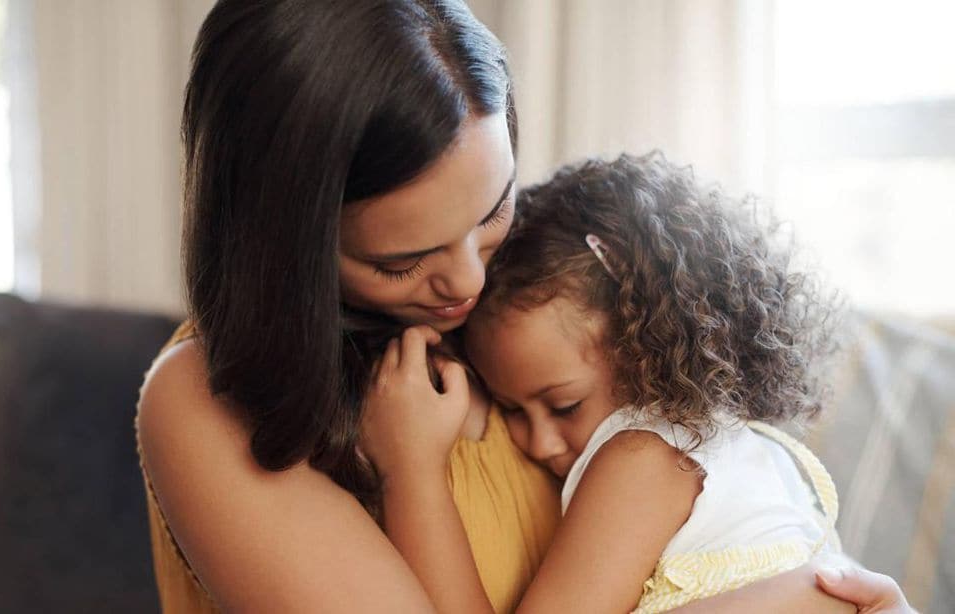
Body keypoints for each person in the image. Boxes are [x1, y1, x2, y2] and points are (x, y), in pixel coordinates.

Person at [135, 1, 914, 612]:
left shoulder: (537, 332)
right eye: (402, 261)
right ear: (282, 244)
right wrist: (792, 600)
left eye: (491, 211)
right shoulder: (206, 401)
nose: (467, 283)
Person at [361, 153, 857, 613]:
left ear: (647, 350)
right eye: (512, 410)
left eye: (564, 405)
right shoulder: (752, 454)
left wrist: (410, 470)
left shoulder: (643, 457)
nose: (538, 443)